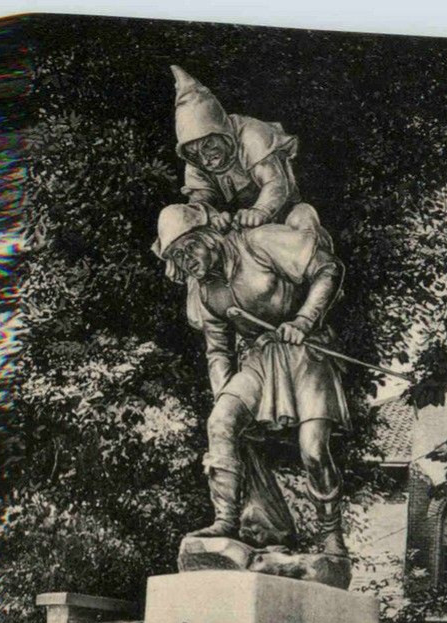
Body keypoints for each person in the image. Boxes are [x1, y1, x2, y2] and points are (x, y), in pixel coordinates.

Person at [152, 201, 351, 556]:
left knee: (314, 450)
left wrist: (305, 319)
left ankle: (330, 533)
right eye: (177, 257)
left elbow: (327, 268)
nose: (186, 260)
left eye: (189, 247)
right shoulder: (203, 290)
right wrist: (225, 397)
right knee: (220, 423)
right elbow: (218, 350)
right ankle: (226, 520)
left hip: (307, 350)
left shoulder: (257, 242)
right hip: (260, 358)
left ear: (209, 236)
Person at [171, 65, 310, 233]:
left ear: (222, 132)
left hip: (285, 213)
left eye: (208, 144)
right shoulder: (195, 160)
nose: (205, 158)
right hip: (238, 228)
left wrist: (260, 211)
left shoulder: (252, 134)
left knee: (304, 222)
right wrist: (212, 216)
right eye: (195, 153)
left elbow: (275, 182)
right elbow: (200, 200)